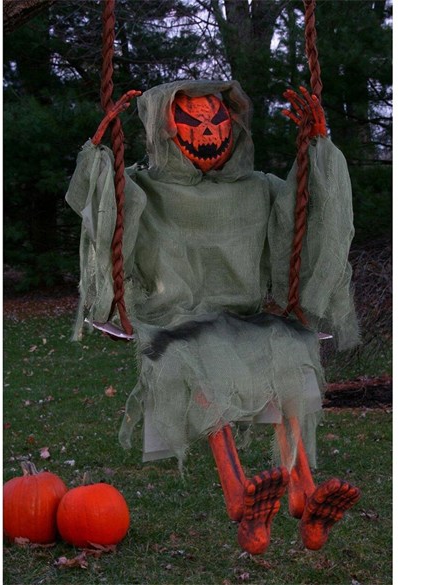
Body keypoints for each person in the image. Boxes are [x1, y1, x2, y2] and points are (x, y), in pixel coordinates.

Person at [66, 79, 359, 554]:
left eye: (216, 119)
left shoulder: (255, 189)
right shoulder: (143, 187)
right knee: (200, 357)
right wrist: (100, 151)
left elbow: (307, 215)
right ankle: (238, 494)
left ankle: (304, 490)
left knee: (285, 347)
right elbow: (97, 207)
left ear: (234, 124)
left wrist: (316, 151)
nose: (208, 131)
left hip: (241, 316)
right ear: (164, 128)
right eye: (192, 120)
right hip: (174, 320)